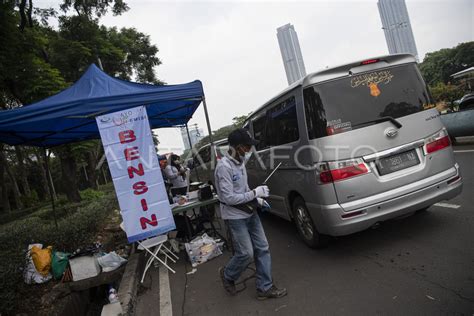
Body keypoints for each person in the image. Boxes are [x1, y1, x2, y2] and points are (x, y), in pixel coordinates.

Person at [214, 128, 287, 300]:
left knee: (263, 248)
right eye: (247, 147)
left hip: (249, 212)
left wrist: (257, 200)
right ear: (237, 147)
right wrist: (255, 193)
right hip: (234, 216)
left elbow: (243, 189)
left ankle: (264, 288)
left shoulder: (240, 163)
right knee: (246, 253)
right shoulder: (223, 168)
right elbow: (229, 198)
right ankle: (228, 275)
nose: (249, 150)